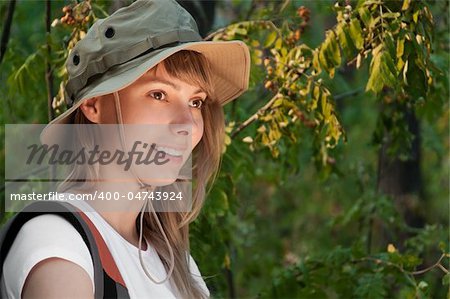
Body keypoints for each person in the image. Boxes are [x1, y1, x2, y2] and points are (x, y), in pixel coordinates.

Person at [1, 0, 250, 298]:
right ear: (94, 105)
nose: (186, 123)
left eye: (195, 102)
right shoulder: (57, 242)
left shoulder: (175, 263)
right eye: (158, 94)